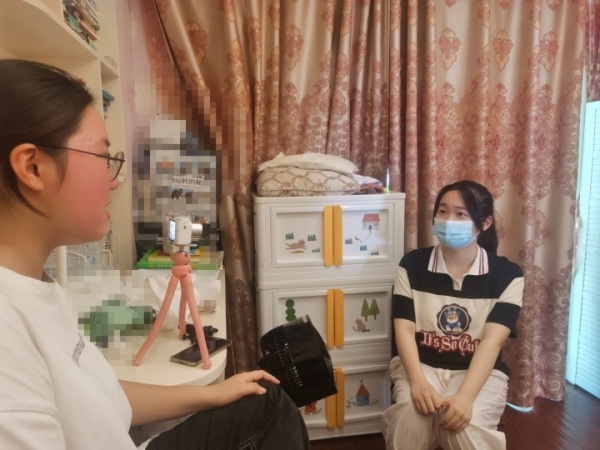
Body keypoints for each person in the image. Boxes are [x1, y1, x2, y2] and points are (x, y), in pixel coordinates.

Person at [0, 59, 310, 450]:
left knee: (266, 405)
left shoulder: (39, 288)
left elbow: (105, 396)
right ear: (32, 167)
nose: (114, 180)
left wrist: (212, 394)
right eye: (103, 158)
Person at [382, 180, 524, 450]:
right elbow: (404, 330)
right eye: (443, 211)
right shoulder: (411, 265)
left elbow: (492, 341)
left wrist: (466, 396)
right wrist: (418, 383)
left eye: (461, 214)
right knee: (411, 419)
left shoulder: (508, 275)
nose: (448, 220)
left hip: (478, 371)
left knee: (460, 428)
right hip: (421, 365)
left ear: (485, 223)